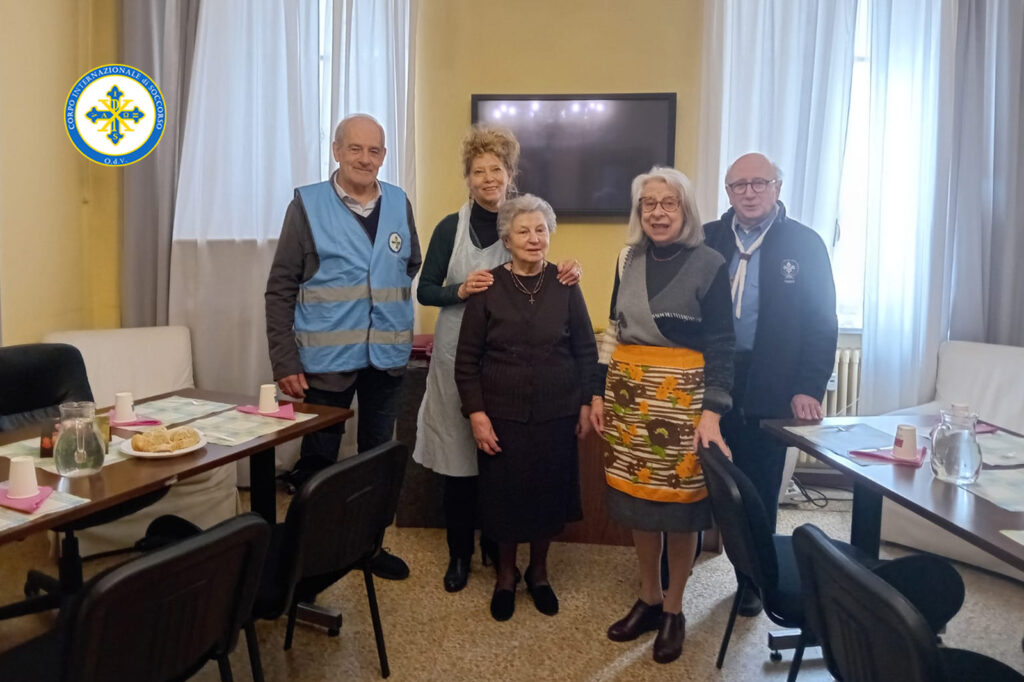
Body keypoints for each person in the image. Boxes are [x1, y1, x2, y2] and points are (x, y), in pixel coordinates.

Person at [414, 125, 581, 594]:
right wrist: (460, 289)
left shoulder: (526, 221)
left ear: (511, 174)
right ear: (467, 178)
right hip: (459, 357)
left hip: (508, 369)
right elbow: (425, 290)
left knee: (502, 462)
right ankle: (459, 554)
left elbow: (547, 270)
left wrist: (571, 268)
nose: (488, 178)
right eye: (478, 171)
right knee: (459, 462)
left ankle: (497, 546)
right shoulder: (449, 228)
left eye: (496, 170)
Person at [265, 113, 420, 581]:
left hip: (386, 358)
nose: (365, 159)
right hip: (325, 362)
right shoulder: (307, 205)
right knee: (318, 462)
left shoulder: (398, 201)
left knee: (378, 460)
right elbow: (280, 288)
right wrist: (284, 360)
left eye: (374, 151)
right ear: (336, 151)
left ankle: (368, 546)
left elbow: (408, 263)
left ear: (384, 156)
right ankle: (309, 557)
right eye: (355, 148)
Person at [590, 167, 735, 664]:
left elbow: (722, 344)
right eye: (648, 204)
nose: (657, 212)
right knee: (640, 505)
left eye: (667, 203)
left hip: (683, 403)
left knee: (681, 509)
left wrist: (713, 412)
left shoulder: (711, 263)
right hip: (630, 400)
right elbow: (613, 329)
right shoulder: (627, 258)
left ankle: (674, 609)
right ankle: (649, 598)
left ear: (685, 209)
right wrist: (597, 393)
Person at [704, 152, 838, 616]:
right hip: (713, 378)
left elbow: (822, 322)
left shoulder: (805, 243)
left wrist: (809, 387)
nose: (749, 193)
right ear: (728, 192)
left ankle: (753, 581)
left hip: (772, 381)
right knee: (711, 478)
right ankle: (687, 562)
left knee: (758, 486)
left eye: (759, 183)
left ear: (777, 187)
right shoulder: (708, 238)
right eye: (738, 185)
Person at [454, 194, 596, 622]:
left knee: (547, 496)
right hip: (502, 415)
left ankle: (538, 572)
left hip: (557, 412)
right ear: (507, 240)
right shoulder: (487, 287)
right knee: (504, 500)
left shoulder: (565, 284)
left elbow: (585, 349)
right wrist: (477, 414)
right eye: (524, 231)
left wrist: (587, 401)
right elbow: (466, 361)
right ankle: (505, 576)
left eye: (541, 230)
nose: (534, 239)